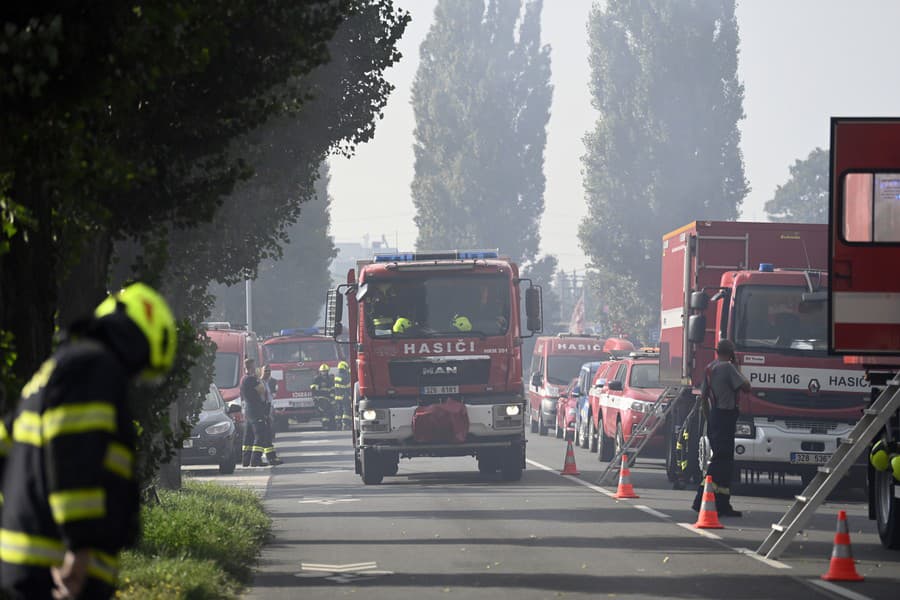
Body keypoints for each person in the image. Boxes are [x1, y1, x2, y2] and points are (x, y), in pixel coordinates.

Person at [0, 283, 177, 599]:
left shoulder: (57, 368)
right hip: (60, 571)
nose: (133, 378)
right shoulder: (92, 368)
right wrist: (78, 549)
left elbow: (6, 443)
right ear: (135, 342)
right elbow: (74, 456)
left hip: (31, 563)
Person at [692, 339, 750, 517]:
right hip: (726, 416)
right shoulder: (728, 368)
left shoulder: (710, 368)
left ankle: (717, 501)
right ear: (730, 352)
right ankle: (708, 500)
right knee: (723, 462)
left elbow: (703, 398)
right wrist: (738, 366)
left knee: (719, 459)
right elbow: (746, 387)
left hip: (715, 415)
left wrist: (710, 419)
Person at [240, 358, 280, 467]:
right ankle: (255, 460)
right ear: (252, 367)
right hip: (256, 410)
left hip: (249, 410)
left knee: (248, 436)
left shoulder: (243, 378)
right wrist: (259, 380)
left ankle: (246, 460)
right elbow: (262, 390)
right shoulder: (252, 379)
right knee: (260, 435)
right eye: (255, 366)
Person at [310, 363, 335, 430]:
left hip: (328, 398)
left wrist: (332, 398)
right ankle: (325, 425)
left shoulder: (330, 379)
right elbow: (313, 388)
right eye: (322, 371)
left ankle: (331, 424)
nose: (324, 373)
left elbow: (332, 389)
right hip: (320, 397)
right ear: (320, 372)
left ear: (327, 371)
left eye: (325, 371)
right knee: (325, 411)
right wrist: (315, 397)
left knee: (330, 411)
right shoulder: (317, 379)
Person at [333, 361, 352, 431]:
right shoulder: (346, 376)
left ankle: (338, 424)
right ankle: (345, 424)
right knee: (346, 411)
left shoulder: (337, 375)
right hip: (344, 396)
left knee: (338, 411)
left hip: (337, 397)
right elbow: (348, 387)